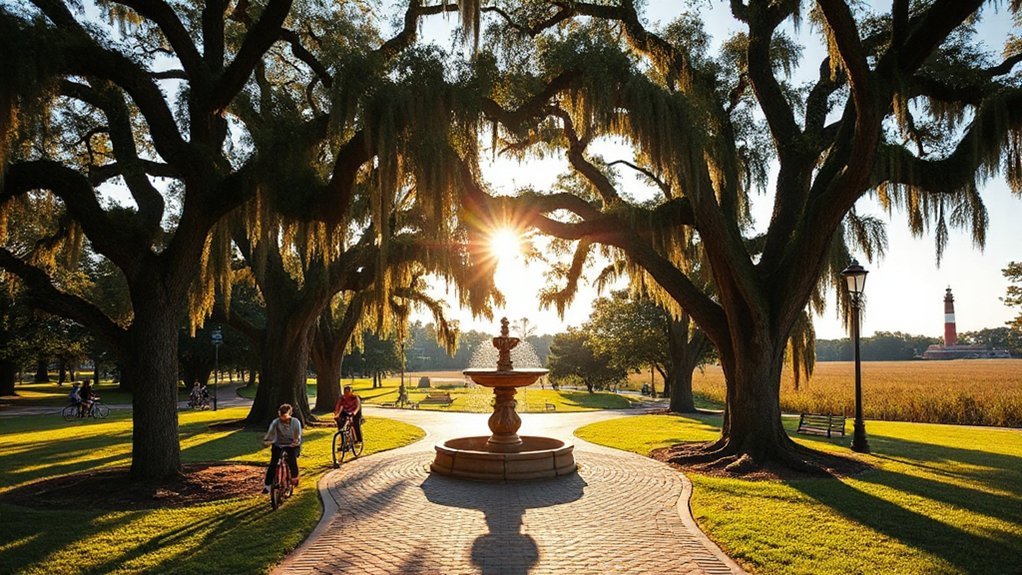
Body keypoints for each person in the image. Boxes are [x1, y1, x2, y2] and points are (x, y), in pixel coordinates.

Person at [262, 403, 302, 494]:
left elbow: (297, 435)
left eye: (285, 416)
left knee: (291, 458)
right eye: (281, 416)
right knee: (273, 463)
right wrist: (267, 441)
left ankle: (294, 477)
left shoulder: (295, 422)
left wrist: (295, 442)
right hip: (279, 445)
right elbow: (270, 433)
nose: (283, 418)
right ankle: (267, 486)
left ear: (289, 414)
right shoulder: (276, 422)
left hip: (292, 445)